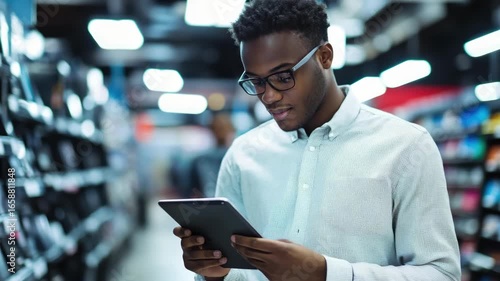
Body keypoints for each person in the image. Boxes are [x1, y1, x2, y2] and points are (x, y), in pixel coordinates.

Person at [173, 0, 461, 280]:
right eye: (256, 82)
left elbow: (440, 273)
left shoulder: (406, 147)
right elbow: (238, 272)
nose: (269, 96)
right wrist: (215, 273)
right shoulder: (243, 155)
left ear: (324, 57)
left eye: (283, 76)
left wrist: (326, 274)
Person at [190, 112, 236, 197]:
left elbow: (191, 192)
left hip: (207, 206)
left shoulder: (199, 160)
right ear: (232, 131)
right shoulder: (237, 158)